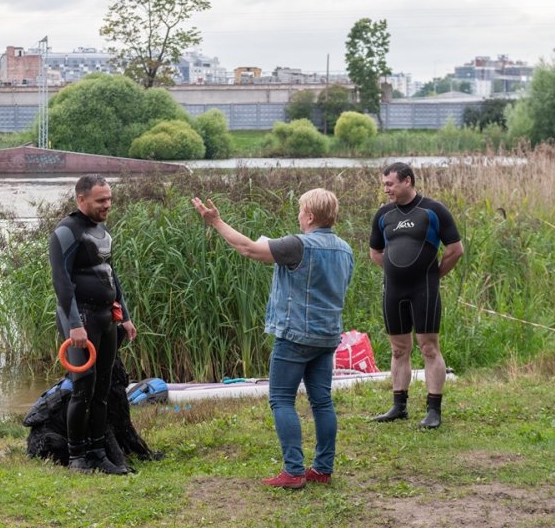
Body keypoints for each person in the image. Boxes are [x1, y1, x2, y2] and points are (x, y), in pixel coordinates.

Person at [192, 189, 354, 489]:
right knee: (322, 401)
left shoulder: (298, 245)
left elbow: (249, 249)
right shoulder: (345, 248)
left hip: (294, 335)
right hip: (328, 335)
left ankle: (293, 472)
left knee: (281, 400)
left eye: (300, 210)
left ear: (309, 216)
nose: (297, 215)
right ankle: (322, 468)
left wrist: (216, 222)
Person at [49, 173, 137, 474]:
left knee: (102, 387)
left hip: (105, 318)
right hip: (81, 320)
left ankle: (100, 453)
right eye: (101, 200)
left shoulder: (101, 230)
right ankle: (77, 457)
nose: (108, 204)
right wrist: (74, 324)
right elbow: (61, 284)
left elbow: (111, 275)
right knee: (83, 388)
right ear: (81, 199)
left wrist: (124, 316)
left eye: (110, 199)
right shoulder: (65, 231)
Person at [369, 162, 463, 429]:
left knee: (429, 348)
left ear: (407, 181)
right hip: (394, 290)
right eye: (384, 184)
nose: (386, 189)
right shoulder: (383, 215)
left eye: (390, 184)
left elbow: (455, 249)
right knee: (399, 350)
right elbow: (375, 252)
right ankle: (399, 406)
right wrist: (396, 271)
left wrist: (433, 276)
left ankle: (434, 410)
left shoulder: (433, 210)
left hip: (425, 289)